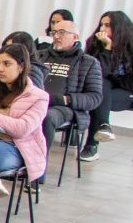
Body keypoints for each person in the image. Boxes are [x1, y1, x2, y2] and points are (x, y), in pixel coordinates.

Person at [0, 44, 49, 185]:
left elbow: (21, 129)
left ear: (21, 67)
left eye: (7, 64)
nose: (0, 69)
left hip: (17, 148)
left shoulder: (39, 97)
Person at [83, 10, 133, 160]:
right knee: (101, 87)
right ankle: (104, 125)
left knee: (101, 93)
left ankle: (91, 145)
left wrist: (115, 79)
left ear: (119, 28)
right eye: (102, 25)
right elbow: (97, 75)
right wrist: (107, 49)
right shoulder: (96, 44)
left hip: (131, 94)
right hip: (106, 91)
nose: (102, 30)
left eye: (108, 26)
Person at [36, 16, 102, 155]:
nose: (56, 36)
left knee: (46, 117)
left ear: (75, 37)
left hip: (65, 108)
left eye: (62, 32)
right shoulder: (39, 56)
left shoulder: (88, 62)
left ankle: (38, 168)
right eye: (54, 33)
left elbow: (95, 97)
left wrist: (67, 99)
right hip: (36, 102)